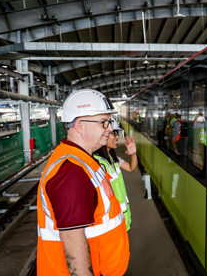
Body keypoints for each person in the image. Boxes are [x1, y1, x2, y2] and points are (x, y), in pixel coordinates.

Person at [36, 89, 130, 276]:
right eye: (104, 122)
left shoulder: (83, 160)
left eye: (109, 122)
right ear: (79, 126)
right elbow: (73, 240)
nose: (110, 128)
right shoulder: (71, 172)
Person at [93, 117, 138, 231]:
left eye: (117, 132)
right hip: (112, 225)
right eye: (113, 133)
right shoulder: (99, 164)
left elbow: (132, 168)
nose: (117, 136)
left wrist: (133, 154)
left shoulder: (112, 159)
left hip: (121, 221)